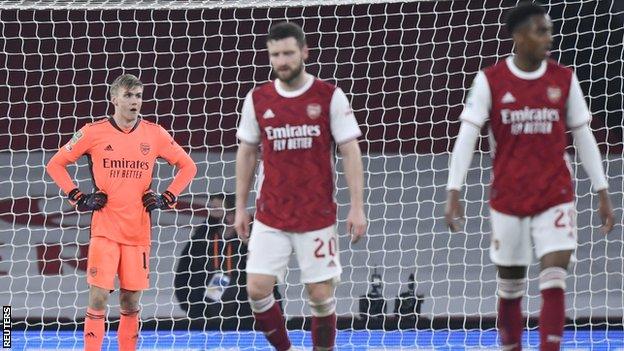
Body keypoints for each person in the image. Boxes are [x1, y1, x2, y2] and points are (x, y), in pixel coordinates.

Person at [444, 3, 614, 351]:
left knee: (555, 277)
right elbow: (467, 135)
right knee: (511, 287)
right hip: (509, 197)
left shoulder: (564, 78)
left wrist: (602, 188)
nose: (549, 38)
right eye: (541, 30)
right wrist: (453, 189)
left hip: (555, 193)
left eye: (549, 30)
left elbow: (583, 135)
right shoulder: (490, 80)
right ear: (519, 36)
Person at [234, 22, 367, 351]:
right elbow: (247, 152)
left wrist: (357, 206)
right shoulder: (258, 99)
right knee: (256, 288)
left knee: (320, 296)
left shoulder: (329, 96)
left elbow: (350, 150)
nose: (282, 60)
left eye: (288, 53)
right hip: (271, 214)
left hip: (316, 215)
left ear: (304, 52)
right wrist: (239, 206)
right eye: (275, 54)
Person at [46, 74, 197, 351]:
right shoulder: (93, 132)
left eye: (138, 96)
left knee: (130, 302)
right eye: (129, 96)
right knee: (99, 297)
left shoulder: (155, 133)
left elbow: (188, 166)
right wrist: (78, 197)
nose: (135, 101)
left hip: (138, 233)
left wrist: (168, 197)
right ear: (114, 99)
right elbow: (56, 164)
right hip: (105, 231)